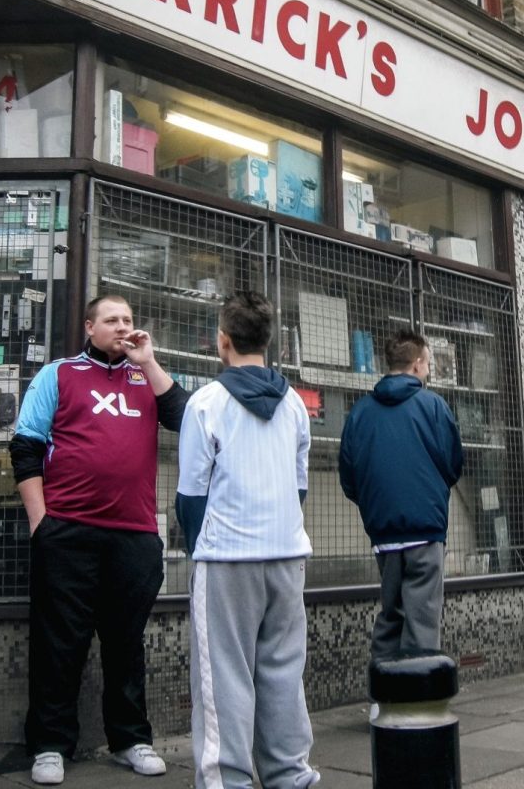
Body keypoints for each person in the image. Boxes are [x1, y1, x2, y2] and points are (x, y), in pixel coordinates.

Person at [9, 295, 189, 786]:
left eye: (129, 320)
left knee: (126, 643)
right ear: (89, 326)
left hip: (133, 537)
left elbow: (186, 418)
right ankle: (49, 745)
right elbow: (24, 446)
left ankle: (131, 738)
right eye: (112, 320)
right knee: (58, 643)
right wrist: (41, 524)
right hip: (66, 533)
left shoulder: (146, 377)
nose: (123, 327)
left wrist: (148, 361)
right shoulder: (60, 374)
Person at [175, 290, 320, 789]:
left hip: (226, 557)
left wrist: (202, 550)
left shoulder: (206, 404)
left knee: (224, 682)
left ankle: (227, 782)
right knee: (283, 674)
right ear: (269, 340)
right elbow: (299, 486)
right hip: (286, 554)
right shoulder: (297, 407)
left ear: (222, 342)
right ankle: (290, 776)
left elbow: (190, 496)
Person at [339, 329, 463, 661]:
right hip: (425, 529)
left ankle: (383, 695)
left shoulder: (360, 413)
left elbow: (349, 477)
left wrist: (373, 505)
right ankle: (418, 701)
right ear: (418, 363)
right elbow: (453, 465)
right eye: (427, 363)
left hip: (384, 533)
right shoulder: (434, 406)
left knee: (391, 613)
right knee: (422, 616)